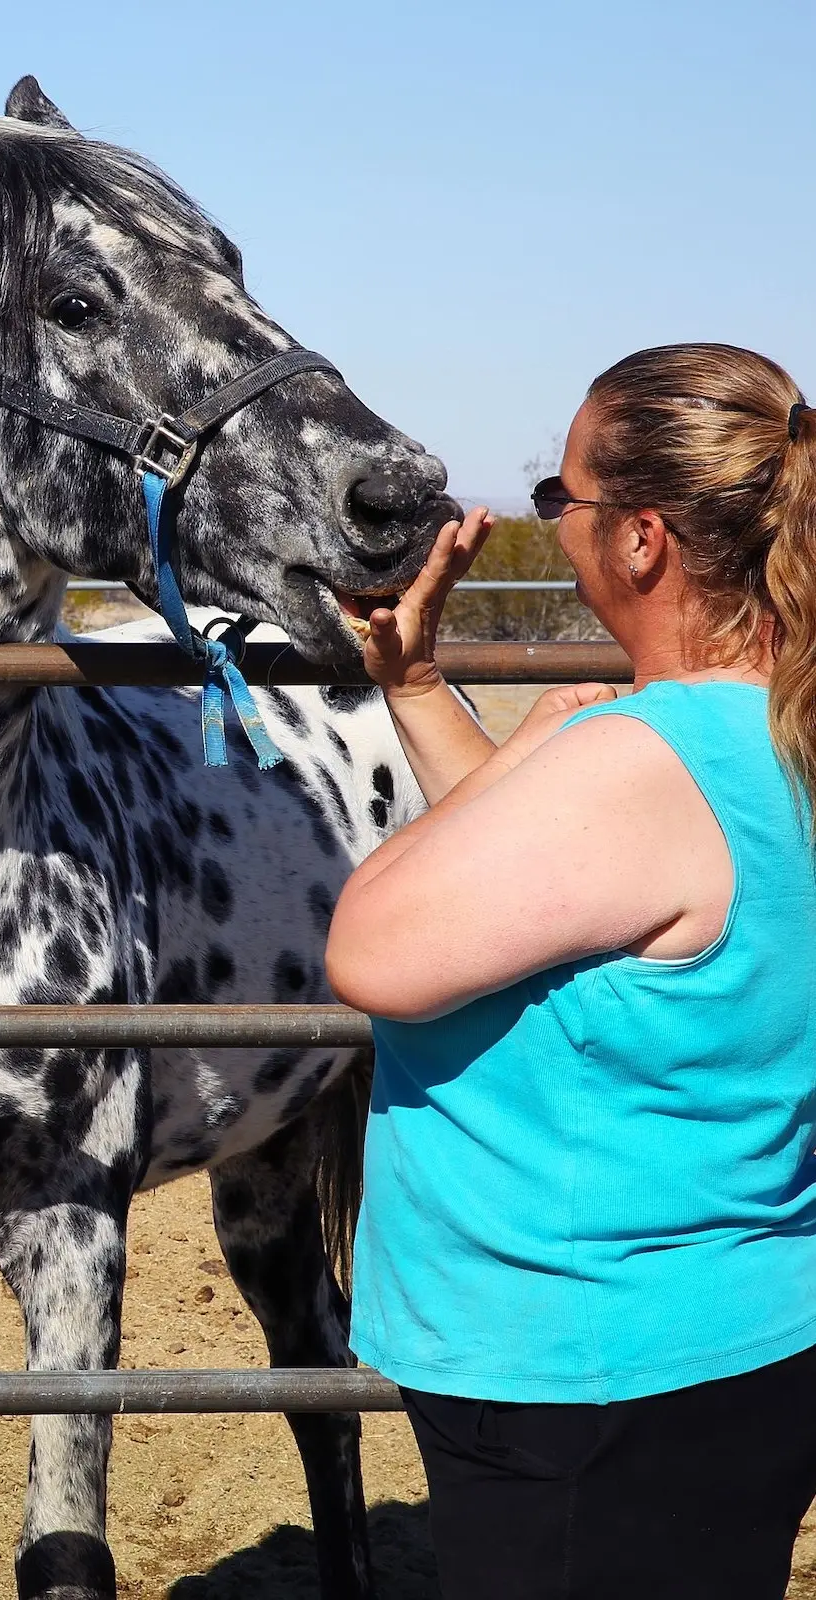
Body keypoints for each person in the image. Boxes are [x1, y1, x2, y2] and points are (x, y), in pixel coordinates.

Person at [326, 343, 816, 1599]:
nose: (553, 525)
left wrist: (536, 756)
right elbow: (554, 892)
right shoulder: (768, 727)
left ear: (643, 539)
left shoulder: (633, 760)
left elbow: (370, 946)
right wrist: (426, 690)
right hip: (731, 1342)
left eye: (563, 501)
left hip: (582, 1377)